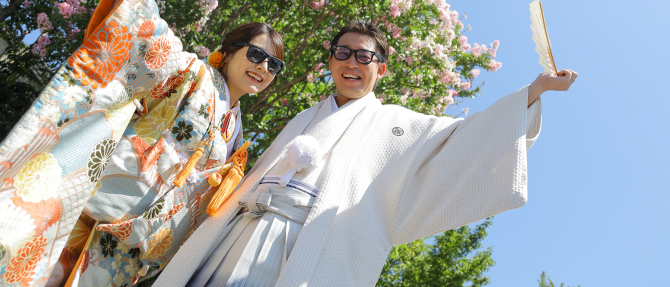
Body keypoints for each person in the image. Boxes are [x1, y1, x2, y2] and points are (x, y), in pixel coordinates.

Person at [0, 0, 285, 287]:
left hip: (135, 248)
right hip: (100, 207)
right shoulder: (194, 73)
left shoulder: (236, 133)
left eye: (275, 65)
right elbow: (155, 42)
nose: (263, 67)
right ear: (228, 52)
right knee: (29, 271)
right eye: (256, 54)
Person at [155, 21, 578, 286]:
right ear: (331, 60)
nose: (351, 62)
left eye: (364, 56)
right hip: (242, 226)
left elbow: (469, 139)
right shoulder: (305, 115)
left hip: (302, 240)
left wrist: (534, 92)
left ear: (381, 68)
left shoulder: (401, 124)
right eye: (342, 53)